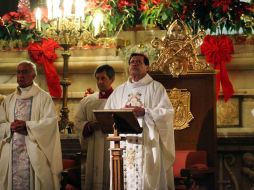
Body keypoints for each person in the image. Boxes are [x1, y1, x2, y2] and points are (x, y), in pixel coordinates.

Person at [104, 53, 175, 190]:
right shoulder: (120, 90)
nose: (134, 64)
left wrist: (145, 112)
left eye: (139, 62)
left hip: (147, 143)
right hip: (123, 144)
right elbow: (108, 114)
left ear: (147, 67)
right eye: (132, 62)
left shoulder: (156, 88)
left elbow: (167, 113)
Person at [0, 60, 62, 189]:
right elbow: (1, 123)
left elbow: (50, 123)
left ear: (33, 75)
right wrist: (9, 127)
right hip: (11, 153)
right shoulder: (8, 100)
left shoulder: (44, 97)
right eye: (18, 72)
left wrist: (28, 126)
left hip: (34, 153)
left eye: (25, 72)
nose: (20, 75)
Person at [74, 64, 115, 190]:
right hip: (94, 143)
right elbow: (78, 122)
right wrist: (90, 125)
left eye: (103, 78)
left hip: (113, 144)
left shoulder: (120, 97)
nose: (100, 82)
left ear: (112, 79)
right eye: (97, 79)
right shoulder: (87, 101)